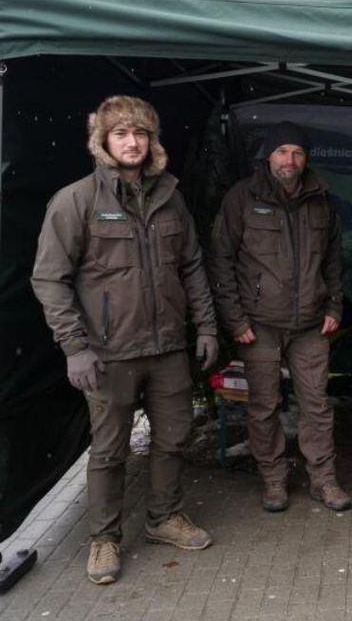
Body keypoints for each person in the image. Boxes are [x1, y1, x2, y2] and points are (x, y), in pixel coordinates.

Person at [31, 95, 219, 585]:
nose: (132, 142)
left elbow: (193, 265)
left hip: (167, 349)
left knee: (174, 438)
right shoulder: (77, 200)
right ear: (103, 141)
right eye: (121, 134)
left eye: (141, 133)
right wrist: (74, 346)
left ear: (152, 140)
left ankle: (163, 519)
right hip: (108, 354)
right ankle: (104, 539)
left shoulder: (170, 196)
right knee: (110, 451)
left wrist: (205, 327)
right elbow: (49, 278)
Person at [207, 121, 349, 513]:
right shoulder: (241, 198)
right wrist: (235, 320)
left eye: (298, 153)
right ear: (267, 156)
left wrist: (334, 306)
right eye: (282, 152)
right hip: (259, 325)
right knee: (264, 406)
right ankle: (273, 481)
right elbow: (221, 261)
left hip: (310, 324)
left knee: (316, 405)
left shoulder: (321, 199)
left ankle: (323, 479)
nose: (290, 159)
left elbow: (334, 259)